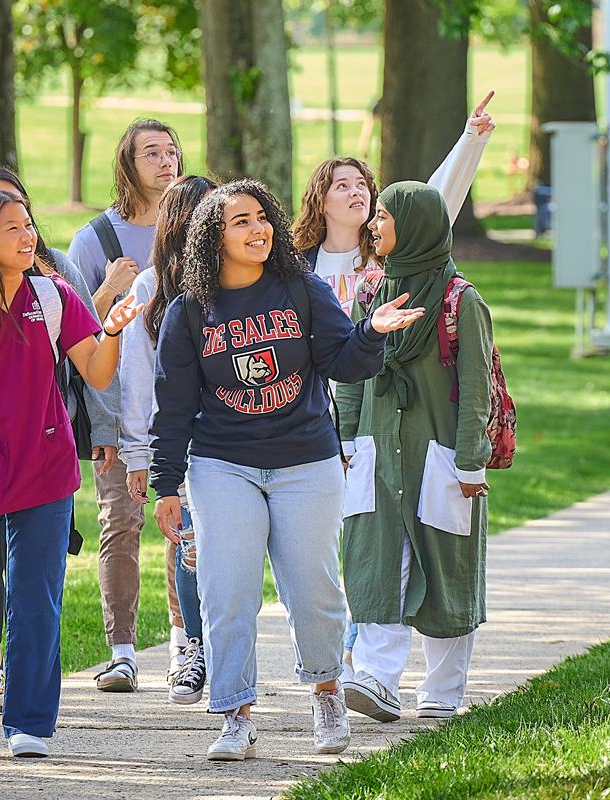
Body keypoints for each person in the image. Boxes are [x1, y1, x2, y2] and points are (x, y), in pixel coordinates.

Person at [149, 179, 426, 761]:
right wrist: (166, 484)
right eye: (240, 222)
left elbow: (343, 364)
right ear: (212, 238)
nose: (257, 230)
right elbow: (172, 406)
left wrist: (371, 332)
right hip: (224, 465)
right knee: (227, 593)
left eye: (262, 218)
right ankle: (234, 713)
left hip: (305, 460)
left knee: (315, 589)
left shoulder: (300, 288)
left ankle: (326, 692)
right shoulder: (188, 312)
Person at [0, 190, 141, 758]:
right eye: (13, 227)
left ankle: (30, 724)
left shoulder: (55, 295)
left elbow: (98, 375)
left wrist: (111, 331)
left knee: (37, 596)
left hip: (45, 468)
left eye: (29, 224)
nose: (28, 235)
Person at [335, 182, 497, 724]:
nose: (373, 225)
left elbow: (478, 389)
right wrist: (346, 440)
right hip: (377, 456)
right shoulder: (372, 290)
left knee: (444, 567)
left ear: (417, 227)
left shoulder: (460, 300)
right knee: (377, 563)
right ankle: (377, 681)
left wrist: (469, 461)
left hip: (441, 460)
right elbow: (353, 372)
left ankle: (442, 693)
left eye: (383, 216)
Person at [67, 119, 181, 692]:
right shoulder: (95, 242)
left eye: (171, 150)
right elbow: (69, 331)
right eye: (152, 153)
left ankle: (186, 648)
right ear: (127, 164)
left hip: (186, 407)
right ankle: (123, 653)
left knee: (183, 526)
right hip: (115, 408)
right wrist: (108, 290)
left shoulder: (196, 231)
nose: (167, 160)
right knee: (122, 523)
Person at [116, 174, 218, 705]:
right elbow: (136, 377)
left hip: (235, 436)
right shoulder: (150, 287)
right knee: (189, 546)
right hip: (179, 441)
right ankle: (192, 649)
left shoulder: (240, 282)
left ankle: (215, 649)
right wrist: (140, 454)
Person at [294, 93, 498, 314]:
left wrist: (471, 140)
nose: (356, 192)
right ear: (321, 204)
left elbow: (434, 203)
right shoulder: (301, 265)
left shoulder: (390, 250)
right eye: (343, 186)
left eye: (361, 184)